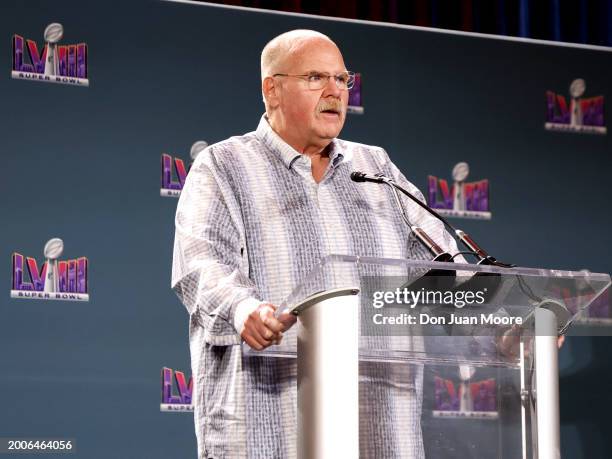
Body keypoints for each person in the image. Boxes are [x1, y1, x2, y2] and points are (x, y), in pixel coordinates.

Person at [172, 29, 462, 459]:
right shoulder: (224, 165)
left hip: (378, 417)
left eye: (343, 80)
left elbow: (441, 263)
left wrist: (505, 318)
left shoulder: (374, 167)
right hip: (269, 416)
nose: (335, 92)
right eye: (315, 78)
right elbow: (201, 263)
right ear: (272, 90)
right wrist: (244, 309)